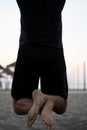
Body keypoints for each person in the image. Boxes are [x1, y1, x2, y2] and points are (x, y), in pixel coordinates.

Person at [11, 0, 68, 130]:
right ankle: (45, 99)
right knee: (62, 105)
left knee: (18, 104)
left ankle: (40, 104)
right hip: (54, 50)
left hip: (28, 49)